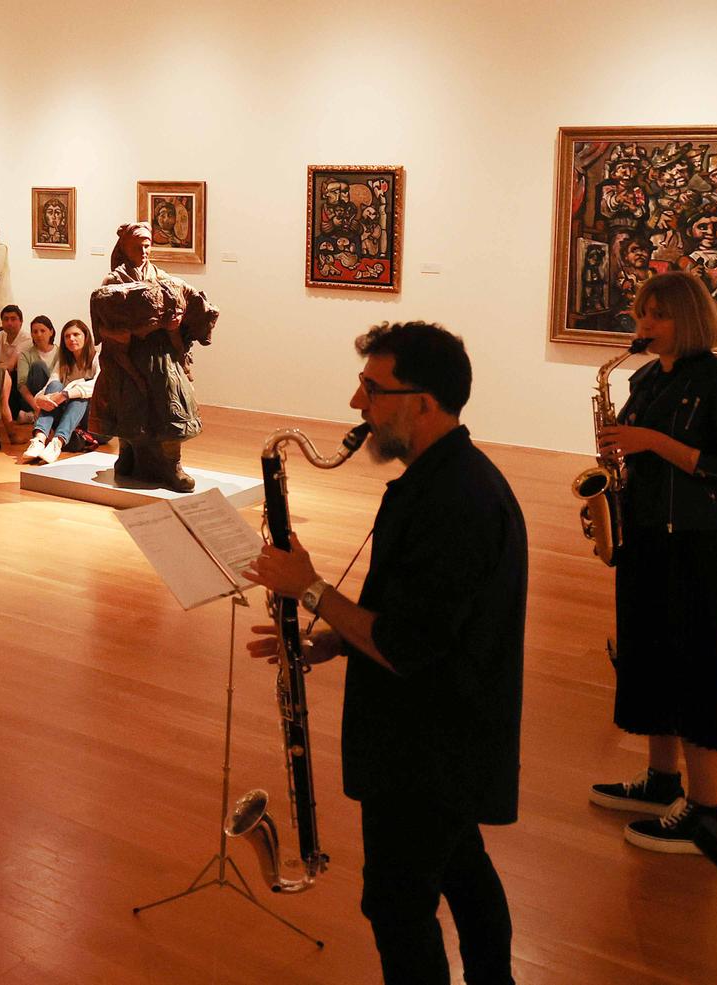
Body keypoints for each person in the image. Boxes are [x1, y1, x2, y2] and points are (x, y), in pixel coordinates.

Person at [244, 321, 524, 985]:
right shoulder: (440, 479)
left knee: (397, 904)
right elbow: (415, 617)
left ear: (424, 402)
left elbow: (407, 644)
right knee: (462, 866)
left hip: (427, 748)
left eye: (373, 388)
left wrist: (308, 587)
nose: (355, 403)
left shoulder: (457, 502)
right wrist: (334, 641)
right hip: (443, 735)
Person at [588, 272, 717, 854]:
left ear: (688, 318)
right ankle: (662, 783)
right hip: (646, 539)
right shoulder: (643, 378)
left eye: (657, 315)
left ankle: (706, 811)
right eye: (640, 315)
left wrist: (649, 442)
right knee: (648, 659)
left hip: (696, 543)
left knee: (695, 670)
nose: (643, 327)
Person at [89, 222, 219, 492]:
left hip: (160, 356)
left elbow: (181, 306)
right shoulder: (114, 282)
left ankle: (172, 464)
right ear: (125, 247)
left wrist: (177, 322)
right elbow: (102, 323)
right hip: (129, 356)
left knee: (170, 404)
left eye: (148, 245)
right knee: (129, 407)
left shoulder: (162, 277)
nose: (144, 250)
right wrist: (121, 333)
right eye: (138, 245)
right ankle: (127, 453)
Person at [22, 318, 99, 464]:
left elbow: (98, 386)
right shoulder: (64, 362)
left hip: (93, 420)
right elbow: (50, 385)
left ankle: (57, 442)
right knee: (56, 385)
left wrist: (66, 394)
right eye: (67, 336)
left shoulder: (97, 358)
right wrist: (40, 399)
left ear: (86, 337)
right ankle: (39, 440)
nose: (71, 339)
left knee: (80, 394)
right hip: (69, 418)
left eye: (76, 335)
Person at [11, 314, 57, 423]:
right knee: (38, 366)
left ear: (51, 332)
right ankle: (37, 413)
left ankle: (33, 417)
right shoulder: (25, 355)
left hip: (53, 398)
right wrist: (37, 406)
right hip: (32, 400)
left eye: (42, 331)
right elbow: (22, 385)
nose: (39, 335)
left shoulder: (61, 353)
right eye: (35, 332)